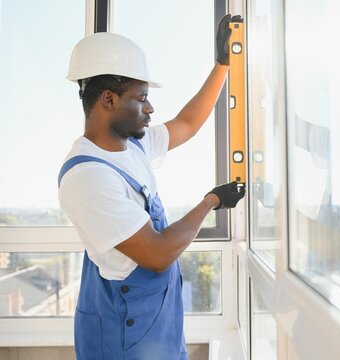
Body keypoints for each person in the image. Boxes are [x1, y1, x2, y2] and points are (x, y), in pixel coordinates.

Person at [58, 14, 244, 360]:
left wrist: (222, 65)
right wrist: (211, 201)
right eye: (141, 98)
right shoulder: (88, 178)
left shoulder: (132, 146)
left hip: (154, 321)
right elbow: (157, 255)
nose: (150, 108)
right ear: (109, 100)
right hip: (123, 333)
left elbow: (188, 123)